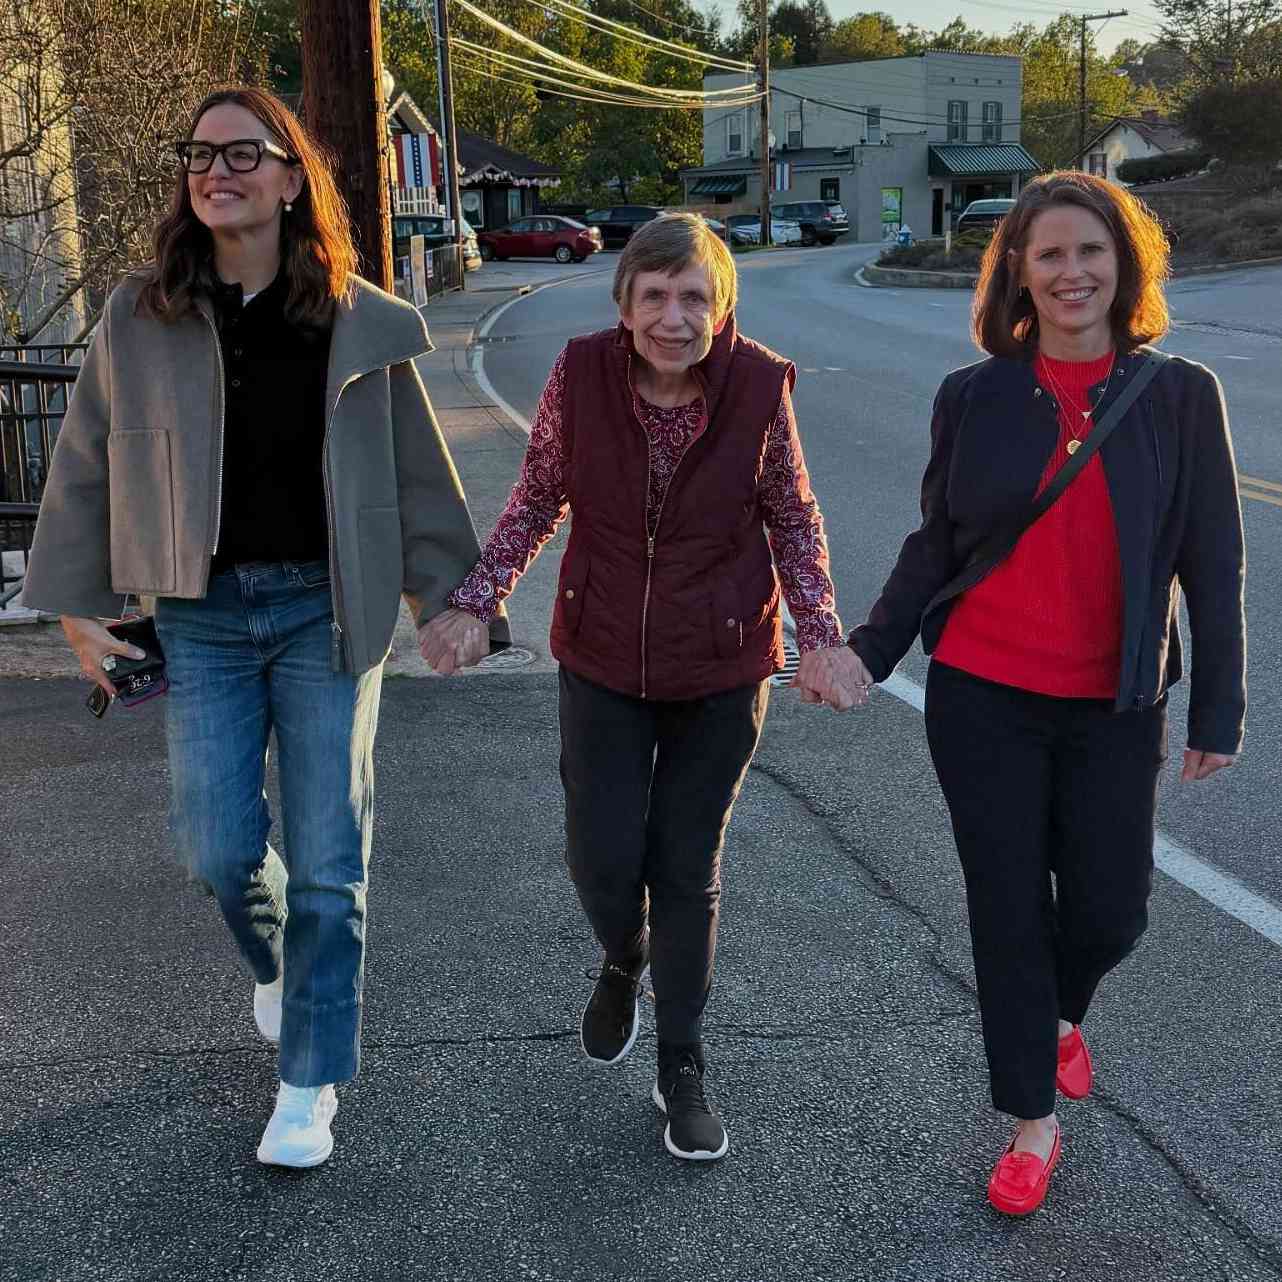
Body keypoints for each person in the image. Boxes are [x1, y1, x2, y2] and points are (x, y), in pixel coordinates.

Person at [22, 87, 507, 1168]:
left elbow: (416, 474)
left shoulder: (359, 318)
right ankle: (284, 966)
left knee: (332, 859)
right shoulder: (136, 317)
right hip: (198, 614)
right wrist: (75, 608)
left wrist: (460, 601)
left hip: (327, 611)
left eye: (245, 152)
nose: (216, 169)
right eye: (198, 153)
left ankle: (309, 1080)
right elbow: (87, 463)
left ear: (294, 178)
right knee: (217, 845)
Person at [418, 213, 866, 1161]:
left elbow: (794, 518)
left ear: (723, 306)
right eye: (655, 295)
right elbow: (539, 494)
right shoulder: (582, 377)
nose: (675, 316)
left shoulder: (757, 388)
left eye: (695, 296)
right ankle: (623, 955)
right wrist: (472, 601)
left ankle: (683, 1065)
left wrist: (821, 638)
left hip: (721, 663)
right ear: (623, 305)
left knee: (688, 866)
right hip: (604, 654)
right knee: (601, 857)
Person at [842, 171, 1246, 1214]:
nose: (1071, 272)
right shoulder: (972, 396)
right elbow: (935, 543)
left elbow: (1213, 560)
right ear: (1017, 271)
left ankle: (1055, 1019)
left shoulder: (1178, 394)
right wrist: (866, 649)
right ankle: (1031, 1119)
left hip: (1114, 702)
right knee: (1008, 910)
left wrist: (1218, 708)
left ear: (1125, 265)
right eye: (1049, 254)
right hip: (981, 694)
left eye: (1090, 251)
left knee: (1113, 910)